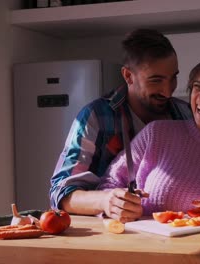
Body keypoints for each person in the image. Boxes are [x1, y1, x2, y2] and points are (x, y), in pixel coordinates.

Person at [99, 54, 200, 220]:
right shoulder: (156, 133)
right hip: (146, 245)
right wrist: (119, 203)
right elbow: (110, 182)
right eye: (197, 87)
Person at [49, 29, 192, 222]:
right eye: (156, 80)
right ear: (128, 76)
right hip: (113, 238)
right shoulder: (95, 117)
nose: (167, 91)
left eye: (173, 77)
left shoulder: (185, 113)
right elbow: (61, 193)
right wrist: (106, 200)